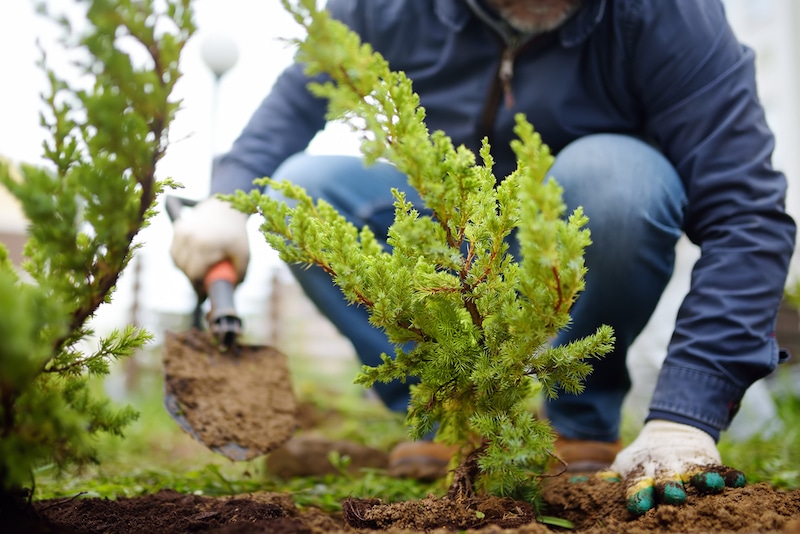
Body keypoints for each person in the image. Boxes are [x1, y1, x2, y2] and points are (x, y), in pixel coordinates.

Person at [170, 0, 797, 514]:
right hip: (455, 232)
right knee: (298, 191)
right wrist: (228, 198)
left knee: (616, 180)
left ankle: (581, 415)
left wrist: (685, 416)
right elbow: (294, 103)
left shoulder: (669, 16)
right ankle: (450, 412)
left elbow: (746, 213)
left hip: (581, 231)